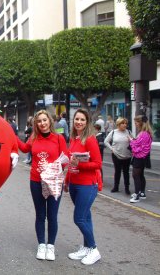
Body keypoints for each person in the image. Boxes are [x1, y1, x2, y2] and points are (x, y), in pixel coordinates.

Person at [16, 110, 68, 261]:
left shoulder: (59, 138)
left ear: (50, 121)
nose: (42, 123)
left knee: (52, 216)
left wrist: (54, 168)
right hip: (36, 181)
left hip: (53, 181)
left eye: (45, 120)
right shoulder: (34, 138)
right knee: (40, 215)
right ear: (36, 124)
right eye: (39, 121)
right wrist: (11, 136)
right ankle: (41, 245)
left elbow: (65, 159)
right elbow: (25, 149)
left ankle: (50, 246)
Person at [65, 109, 102, 265]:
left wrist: (80, 164)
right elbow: (70, 163)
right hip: (74, 184)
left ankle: (93, 249)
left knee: (79, 218)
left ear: (87, 122)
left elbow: (97, 164)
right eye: (76, 119)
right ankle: (87, 247)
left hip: (87, 185)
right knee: (86, 217)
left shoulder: (90, 139)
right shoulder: (74, 139)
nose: (79, 122)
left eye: (82, 120)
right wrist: (67, 181)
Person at [104, 117, 132, 194]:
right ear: (118, 124)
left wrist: (132, 141)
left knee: (126, 172)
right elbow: (106, 141)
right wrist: (111, 149)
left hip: (127, 155)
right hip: (116, 155)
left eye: (126, 123)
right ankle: (116, 187)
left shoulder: (128, 132)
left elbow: (133, 141)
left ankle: (127, 188)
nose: (125, 125)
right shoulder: (113, 132)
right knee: (117, 171)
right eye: (123, 123)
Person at [129, 115, 153, 203]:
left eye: (136, 122)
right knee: (140, 175)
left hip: (139, 157)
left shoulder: (144, 134)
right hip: (143, 157)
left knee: (136, 175)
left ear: (140, 123)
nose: (135, 124)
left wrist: (131, 141)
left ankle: (137, 194)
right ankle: (142, 193)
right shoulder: (145, 132)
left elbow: (137, 146)